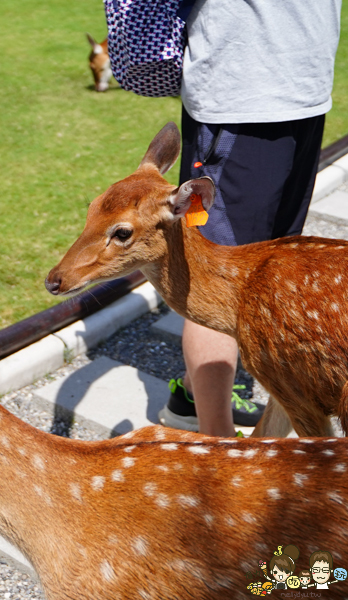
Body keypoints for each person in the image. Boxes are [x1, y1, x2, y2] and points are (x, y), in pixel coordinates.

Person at [158, 0, 342, 437]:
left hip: (303, 89)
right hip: (242, 91)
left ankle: (193, 397)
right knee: (217, 276)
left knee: (268, 272)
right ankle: (218, 458)